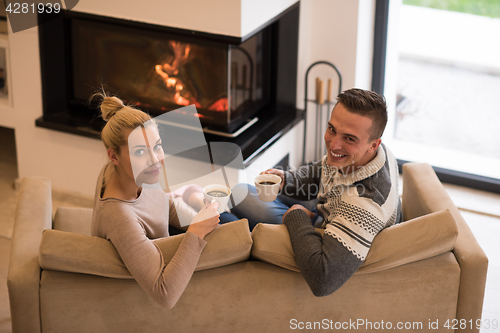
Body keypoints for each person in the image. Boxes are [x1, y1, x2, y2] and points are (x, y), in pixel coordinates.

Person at [229, 88, 403, 296]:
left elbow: (323, 280)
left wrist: (297, 217)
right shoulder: (371, 154)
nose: (334, 144)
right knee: (242, 192)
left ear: (373, 145)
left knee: (238, 200)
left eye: (349, 139)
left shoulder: (364, 205)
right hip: (330, 211)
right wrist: (287, 179)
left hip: (328, 236)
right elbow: (322, 170)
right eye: (332, 129)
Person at [90, 92, 226, 308]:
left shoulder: (122, 173)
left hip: (178, 240)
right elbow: (165, 294)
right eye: (140, 151)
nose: (155, 161)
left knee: (239, 201)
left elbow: (164, 203)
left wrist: (196, 219)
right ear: (113, 156)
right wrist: (196, 231)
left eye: (158, 146)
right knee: (244, 223)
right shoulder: (119, 217)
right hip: (176, 268)